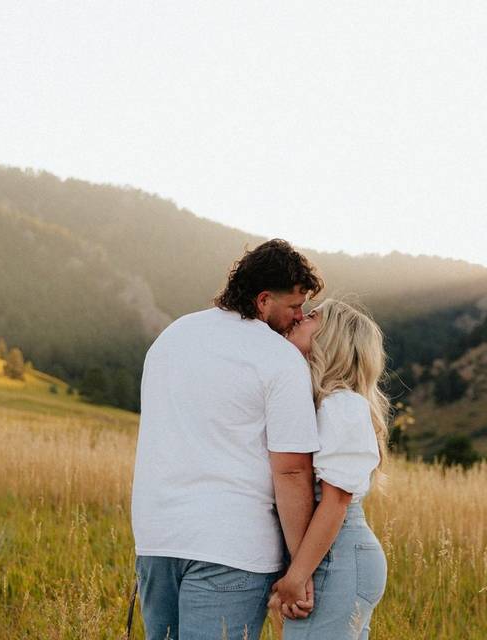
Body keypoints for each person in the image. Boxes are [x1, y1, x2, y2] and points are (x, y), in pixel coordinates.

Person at [130, 239, 324, 640]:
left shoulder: (172, 336)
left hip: (157, 535)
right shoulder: (278, 357)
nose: (299, 316)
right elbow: (291, 469)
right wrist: (300, 567)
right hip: (233, 545)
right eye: (294, 307)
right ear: (264, 300)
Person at [269, 299, 390, 639]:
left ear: (332, 338)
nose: (300, 318)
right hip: (331, 557)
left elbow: (336, 502)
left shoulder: (343, 406)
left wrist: (297, 575)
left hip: (338, 559)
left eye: (313, 316)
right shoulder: (323, 403)